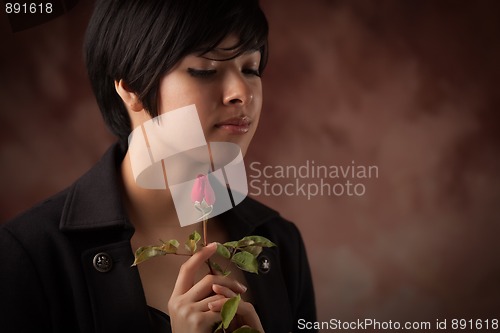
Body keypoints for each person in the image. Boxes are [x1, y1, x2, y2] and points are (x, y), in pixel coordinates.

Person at [0, 0, 317, 332]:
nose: (242, 93)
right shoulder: (29, 255)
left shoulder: (277, 243)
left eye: (250, 68)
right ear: (130, 87)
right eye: (205, 70)